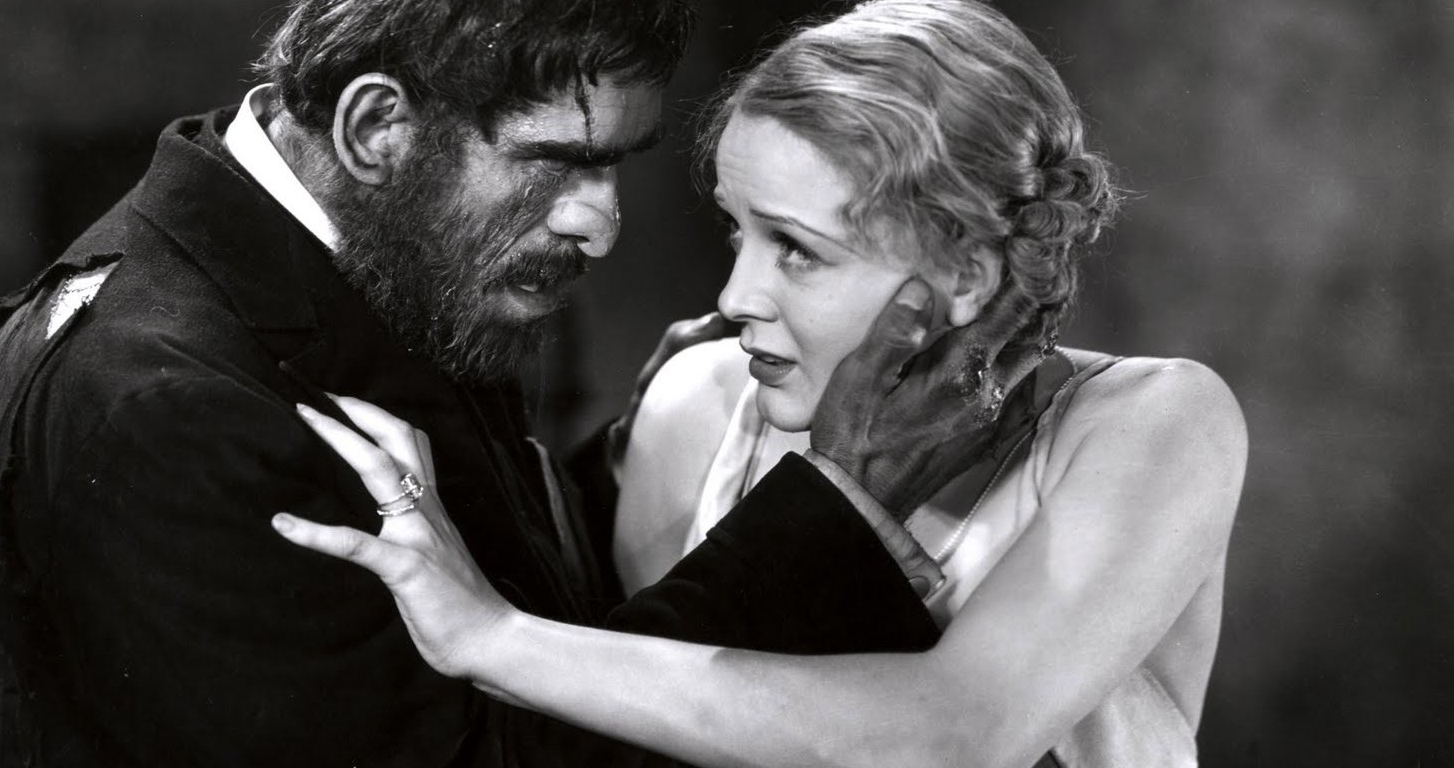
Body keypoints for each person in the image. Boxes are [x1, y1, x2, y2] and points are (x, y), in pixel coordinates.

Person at [0, 1, 1031, 766]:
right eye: (559, 162)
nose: (598, 224)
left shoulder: (340, 273)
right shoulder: (167, 407)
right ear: (376, 128)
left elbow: (414, 631)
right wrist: (834, 506)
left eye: (615, 166)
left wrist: (631, 465)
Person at [274, 1, 1249, 766]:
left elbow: (955, 737)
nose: (736, 296)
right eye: (738, 231)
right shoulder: (698, 404)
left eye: (798, 249)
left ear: (966, 269)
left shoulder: (1150, 424)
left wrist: (488, 638)